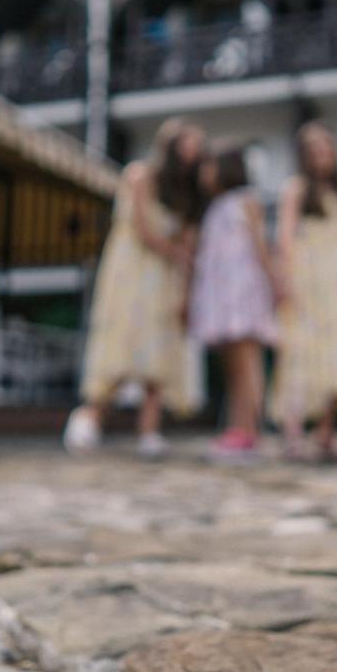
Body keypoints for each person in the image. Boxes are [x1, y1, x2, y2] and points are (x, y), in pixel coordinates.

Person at [64, 118, 205, 458]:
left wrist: (185, 283)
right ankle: (89, 417)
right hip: (133, 277)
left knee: (157, 356)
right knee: (123, 352)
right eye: (189, 144)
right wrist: (176, 252)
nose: (195, 152)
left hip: (165, 282)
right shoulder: (140, 176)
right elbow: (143, 231)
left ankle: (149, 429)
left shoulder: (187, 194)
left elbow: (189, 242)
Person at [270, 121, 337, 460]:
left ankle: (326, 434)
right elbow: (285, 238)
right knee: (301, 354)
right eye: (316, 149)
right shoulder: (296, 190)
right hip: (308, 284)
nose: (323, 155)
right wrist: (284, 281)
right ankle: (293, 433)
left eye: (328, 147)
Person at [188, 143, 280, 459]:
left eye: (208, 166)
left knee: (247, 362)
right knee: (234, 367)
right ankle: (237, 428)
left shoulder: (246, 201)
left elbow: (259, 245)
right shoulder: (215, 206)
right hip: (222, 294)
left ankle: (253, 430)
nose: (203, 174)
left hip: (242, 291)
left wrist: (274, 282)